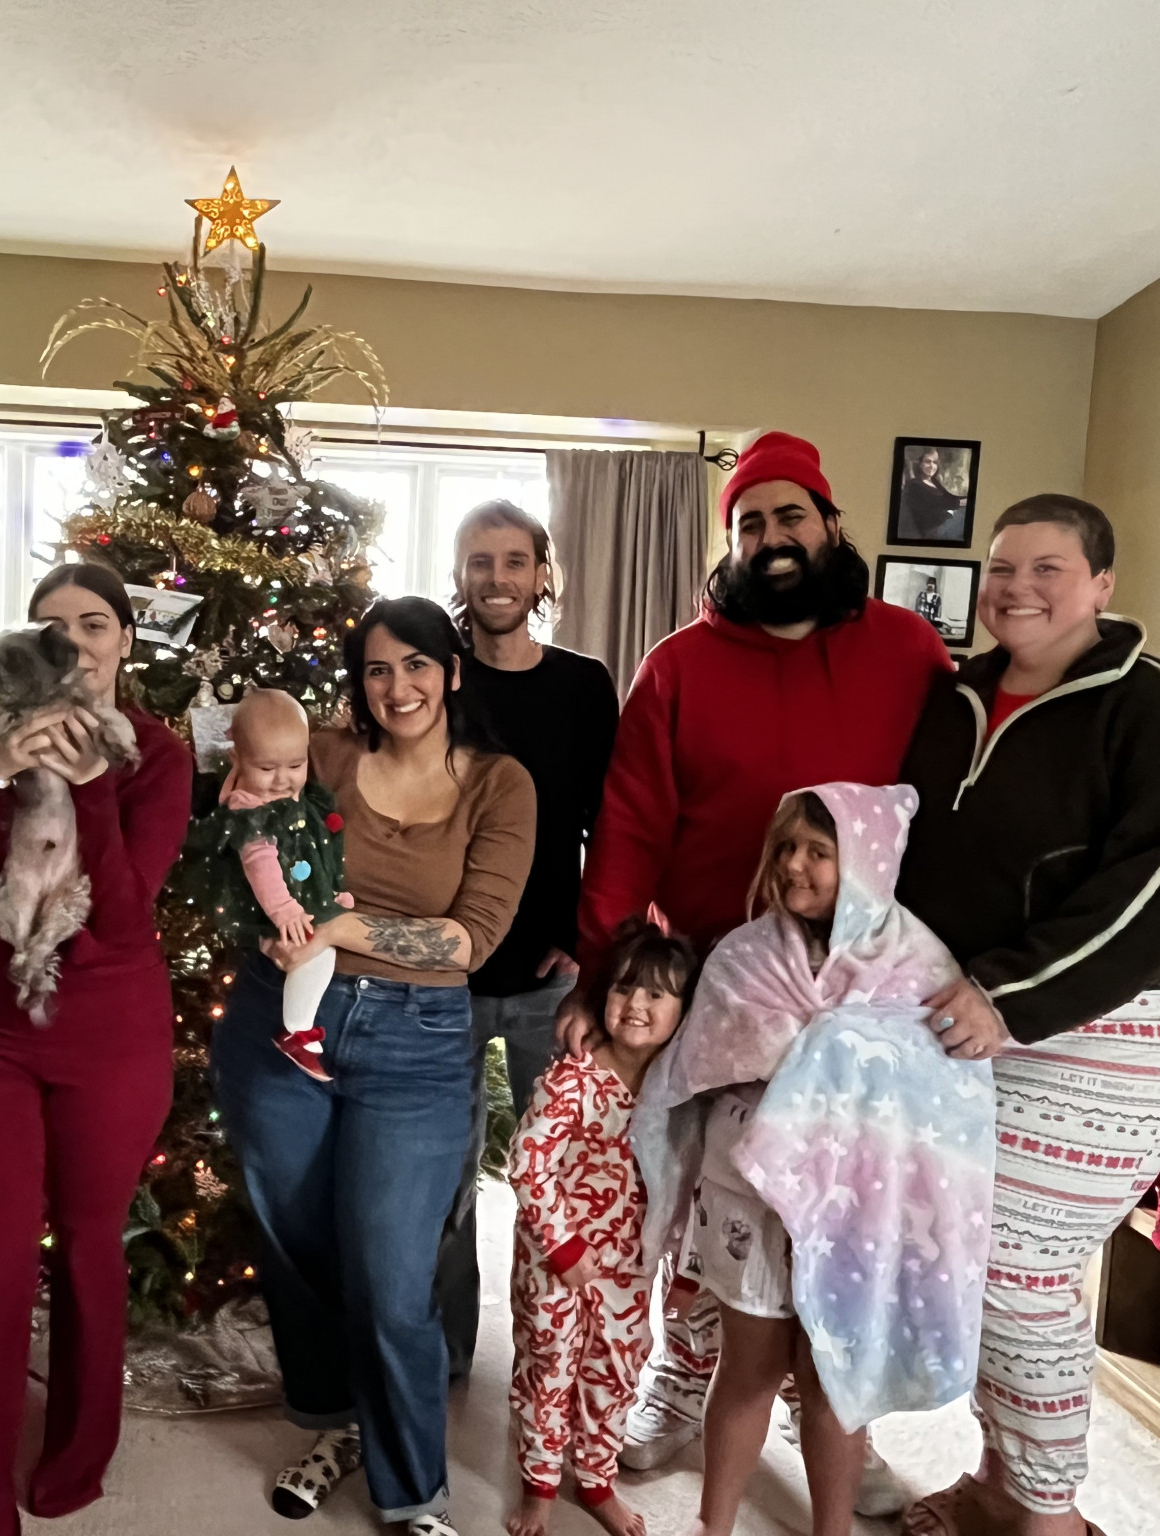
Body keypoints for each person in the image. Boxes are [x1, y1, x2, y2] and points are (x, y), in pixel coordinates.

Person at [559, 431, 950, 1498]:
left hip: (863, 1000)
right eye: (748, 524)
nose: (771, 538)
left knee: (844, 1215)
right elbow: (628, 828)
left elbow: (951, 814)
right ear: (727, 543)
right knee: (712, 1200)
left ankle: (836, 1411)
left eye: (789, 517)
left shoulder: (908, 650)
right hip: (717, 987)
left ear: (828, 525)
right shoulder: (677, 668)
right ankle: (683, 1381)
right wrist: (602, 977)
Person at [895, 494, 1160, 1536]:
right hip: (966, 1017)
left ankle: (1047, 1516)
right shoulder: (956, 698)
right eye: (1002, 568)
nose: (1017, 589)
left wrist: (1013, 996)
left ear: (1100, 585)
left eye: (1047, 569)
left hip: (1110, 1021)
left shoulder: (1150, 702)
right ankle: (999, 1482)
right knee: (970, 1266)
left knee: (1017, 1274)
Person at [212, 596, 536, 1536]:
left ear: (453, 671)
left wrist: (337, 930)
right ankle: (337, 1422)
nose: (398, 687)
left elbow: (468, 940)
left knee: (392, 1276)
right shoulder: (325, 755)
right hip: (280, 1023)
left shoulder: (498, 784)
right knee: (297, 1242)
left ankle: (413, 1492)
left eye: (417, 664)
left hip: (415, 1041)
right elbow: (239, 798)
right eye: (378, 669)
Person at [639, 785, 990, 1536]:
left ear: (865, 864)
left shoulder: (920, 965)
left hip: (857, 1203)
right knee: (748, 1370)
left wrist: (826, 1051)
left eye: (819, 852)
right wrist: (827, 1050)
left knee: (835, 1384)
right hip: (749, 1194)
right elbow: (706, 1061)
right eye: (787, 848)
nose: (795, 865)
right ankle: (712, 1528)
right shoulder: (744, 956)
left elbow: (945, 1090)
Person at [0, 560, 192, 1536]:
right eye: (53, 626)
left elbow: (119, 914)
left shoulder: (156, 755)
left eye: (94, 624)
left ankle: (79, 1456)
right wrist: (0, 775)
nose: (74, 643)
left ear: (125, 640)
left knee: (89, 1248)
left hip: (113, 1033)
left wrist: (87, 786)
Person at [435, 500, 619, 1375]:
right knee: (446, 1179)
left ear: (542, 575)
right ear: (461, 574)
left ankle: (554, 1358)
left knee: (563, 1176)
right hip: (448, 974)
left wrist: (590, 940)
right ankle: (444, 1356)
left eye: (515, 561)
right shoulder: (439, 681)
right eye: (481, 562)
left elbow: (613, 822)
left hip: (554, 975)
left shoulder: (583, 685)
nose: (497, 579)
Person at [506, 913, 697, 1536]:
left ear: (684, 1011)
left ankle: (594, 1481)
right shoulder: (574, 1079)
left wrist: (685, 1270)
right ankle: (539, 1483)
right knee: (549, 1368)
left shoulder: (678, 1098)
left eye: (657, 994)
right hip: (555, 1262)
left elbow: (691, 1186)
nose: (636, 1004)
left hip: (629, 1269)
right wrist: (562, 1248)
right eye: (623, 987)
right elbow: (528, 1161)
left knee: (616, 1370)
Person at [174, 688, 353, 1080]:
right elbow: (262, 865)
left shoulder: (295, 798)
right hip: (271, 909)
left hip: (295, 896)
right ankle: (297, 1030)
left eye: (295, 765)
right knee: (317, 953)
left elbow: (310, 851)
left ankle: (299, 1024)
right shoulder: (249, 810)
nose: (282, 780)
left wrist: (327, 893)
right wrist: (284, 910)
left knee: (323, 940)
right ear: (237, 760)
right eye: (267, 768)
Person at [898, 448, 968, 542]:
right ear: (920, 464)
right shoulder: (913, 485)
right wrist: (962, 502)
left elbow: (949, 497)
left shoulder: (934, 482)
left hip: (944, 522)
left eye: (935, 462)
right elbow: (938, 502)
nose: (932, 466)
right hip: (930, 531)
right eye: (928, 462)